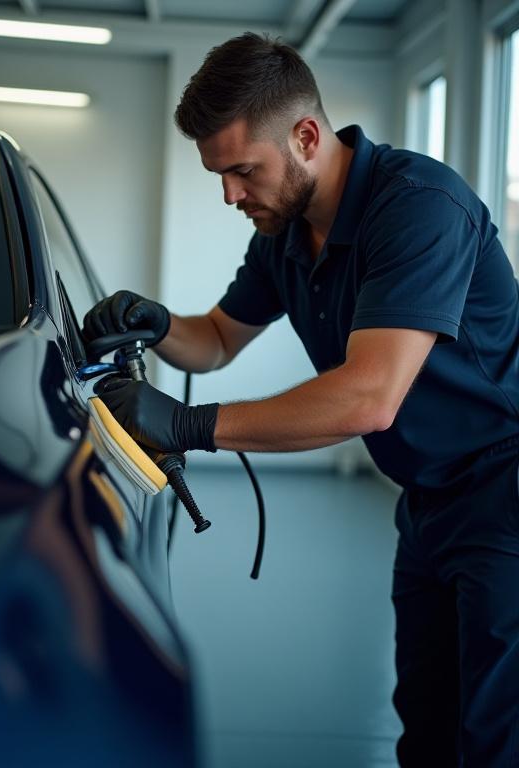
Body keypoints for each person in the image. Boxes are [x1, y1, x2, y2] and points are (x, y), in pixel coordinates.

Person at [83, 33, 519, 767]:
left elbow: (369, 397)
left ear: (307, 136)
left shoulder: (419, 207)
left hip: (504, 492)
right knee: (427, 725)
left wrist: (185, 425)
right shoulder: (285, 232)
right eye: (219, 175)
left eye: (243, 171)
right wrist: (154, 322)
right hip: (425, 501)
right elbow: (218, 339)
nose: (229, 195)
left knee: (496, 737)